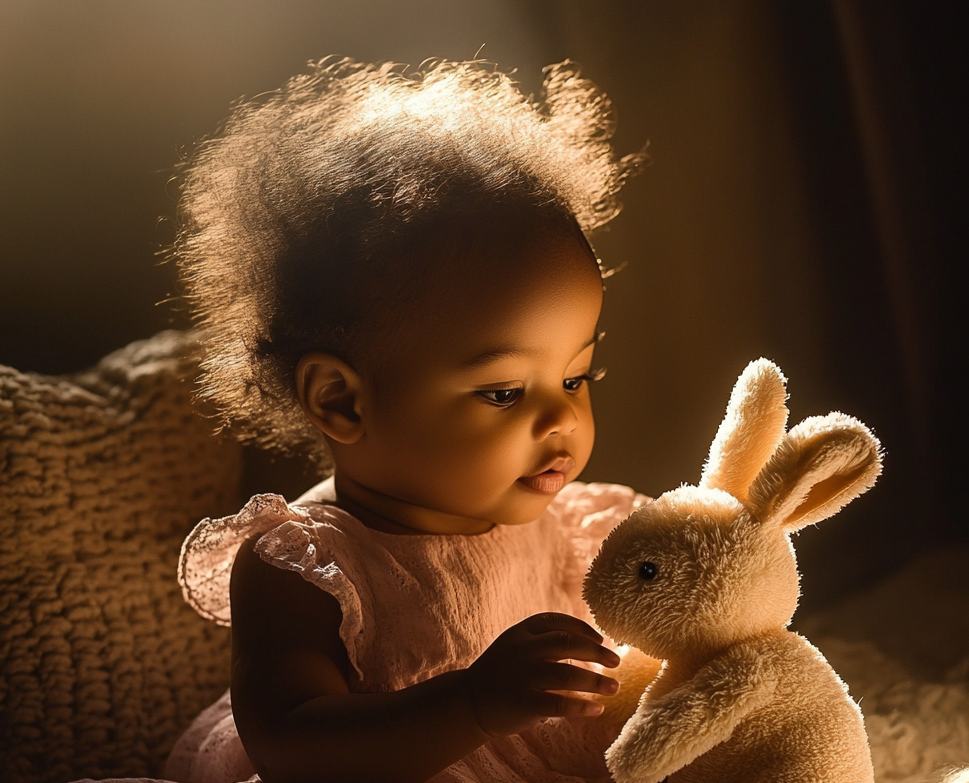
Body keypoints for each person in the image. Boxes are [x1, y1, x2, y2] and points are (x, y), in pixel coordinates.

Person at [167, 57, 649, 783]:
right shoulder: (309, 567)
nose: (562, 416)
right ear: (342, 401)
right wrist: (473, 702)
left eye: (576, 376)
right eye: (502, 392)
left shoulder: (567, 530)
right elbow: (291, 743)